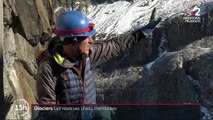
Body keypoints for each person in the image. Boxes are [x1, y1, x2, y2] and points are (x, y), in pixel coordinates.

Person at [36, 9, 161, 120]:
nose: (91, 40)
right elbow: (47, 113)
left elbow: (116, 45)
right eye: (86, 37)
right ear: (73, 41)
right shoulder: (48, 69)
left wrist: (142, 33)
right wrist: (89, 114)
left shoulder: (86, 55)